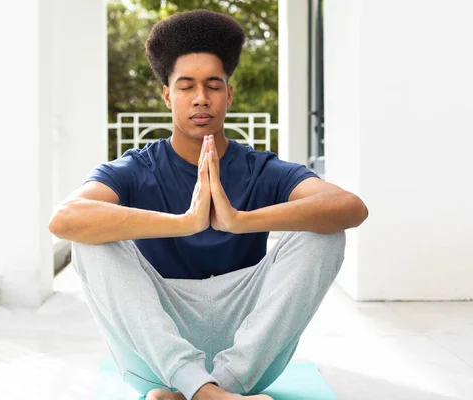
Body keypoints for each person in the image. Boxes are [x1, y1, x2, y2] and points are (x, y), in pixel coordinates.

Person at [49, 9, 368, 400]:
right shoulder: (135, 168)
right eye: (186, 87)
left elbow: (350, 207)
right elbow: (64, 219)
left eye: (213, 85)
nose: (201, 98)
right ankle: (201, 390)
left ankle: (209, 390)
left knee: (326, 234)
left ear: (228, 94)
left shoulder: (260, 167)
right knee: (89, 238)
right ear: (168, 95)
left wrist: (237, 220)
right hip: (159, 347)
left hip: (247, 348)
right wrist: (185, 222)